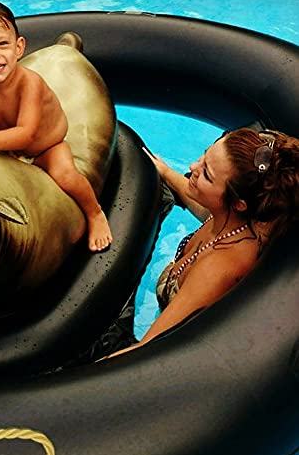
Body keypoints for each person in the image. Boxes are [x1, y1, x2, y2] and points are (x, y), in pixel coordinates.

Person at [103, 127, 299, 358]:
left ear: (238, 203)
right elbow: (198, 201)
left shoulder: (217, 269)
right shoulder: (232, 221)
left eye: (206, 174)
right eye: (204, 156)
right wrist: (164, 172)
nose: (192, 168)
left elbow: (147, 353)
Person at [0, 0, 112, 252]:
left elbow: (26, 134)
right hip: (7, 146)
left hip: (47, 147)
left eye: (2, 44)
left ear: (19, 47)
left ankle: (95, 213)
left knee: (65, 176)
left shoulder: (29, 83)